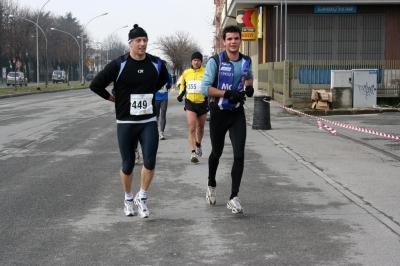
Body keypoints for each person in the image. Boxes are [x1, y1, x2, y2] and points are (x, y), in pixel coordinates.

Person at [90, 24, 169, 218]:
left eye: (145, 40)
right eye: (138, 41)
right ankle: (127, 198)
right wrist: (114, 100)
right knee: (128, 163)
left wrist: (148, 92)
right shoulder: (119, 64)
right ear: (130, 43)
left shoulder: (156, 63)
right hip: (126, 122)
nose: (142, 44)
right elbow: (96, 85)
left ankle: (142, 197)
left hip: (148, 120)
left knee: (150, 161)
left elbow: (162, 80)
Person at [201, 25, 254, 214]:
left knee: (239, 154)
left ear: (241, 40)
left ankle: (233, 197)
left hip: (237, 113)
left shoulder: (246, 61)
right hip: (219, 113)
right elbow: (205, 88)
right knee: (217, 152)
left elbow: (248, 79)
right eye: (229, 39)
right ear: (224, 41)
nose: (233, 42)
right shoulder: (215, 61)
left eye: (236, 38)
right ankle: (211, 184)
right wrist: (227, 93)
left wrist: (249, 88)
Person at [177, 52, 209, 163]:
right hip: (190, 102)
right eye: (194, 60)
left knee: (200, 128)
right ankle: (193, 152)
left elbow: (210, 85)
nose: (196, 62)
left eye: (198, 60)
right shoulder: (186, 72)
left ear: (201, 61)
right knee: (192, 127)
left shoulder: (206, 72)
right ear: (191, 61)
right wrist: (181, 94)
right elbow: (183, 84)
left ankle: (198, 143)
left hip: (203, 102)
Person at [155, 60, 172, 140]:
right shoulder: (155, 74)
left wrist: (169, 85)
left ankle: (161, 132)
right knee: (156, 115)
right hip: (155, 97)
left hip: (164, 97)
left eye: (165, 65)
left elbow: (171, 82)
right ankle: (155, 132)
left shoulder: (168, 75)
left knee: (163, 114)